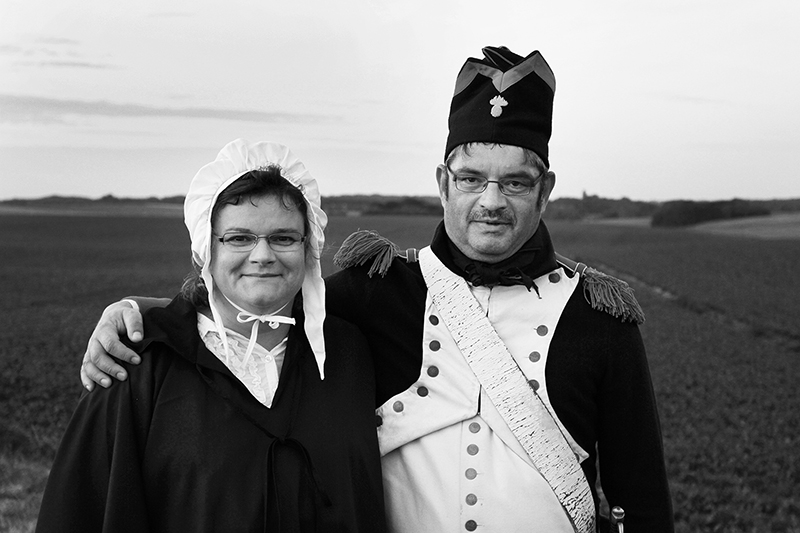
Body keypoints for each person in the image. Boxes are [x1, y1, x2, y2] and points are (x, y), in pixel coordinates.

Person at [79, 47, 674, 532]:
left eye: (515, 183)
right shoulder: (373, 292)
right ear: (443, 183)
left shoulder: (601, 318)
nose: (490, 202)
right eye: (471, 178)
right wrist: (143, 313)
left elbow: (641, 498)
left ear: (545, 191)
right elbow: (255, 302)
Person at [37, 139, 386, 532]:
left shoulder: (348, 352)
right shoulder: (139, 362)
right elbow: (82, 511)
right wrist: (141, 311)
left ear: (309, 248)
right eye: (239, 238)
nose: (263, 255)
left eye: (283, 238)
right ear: (207, 248)